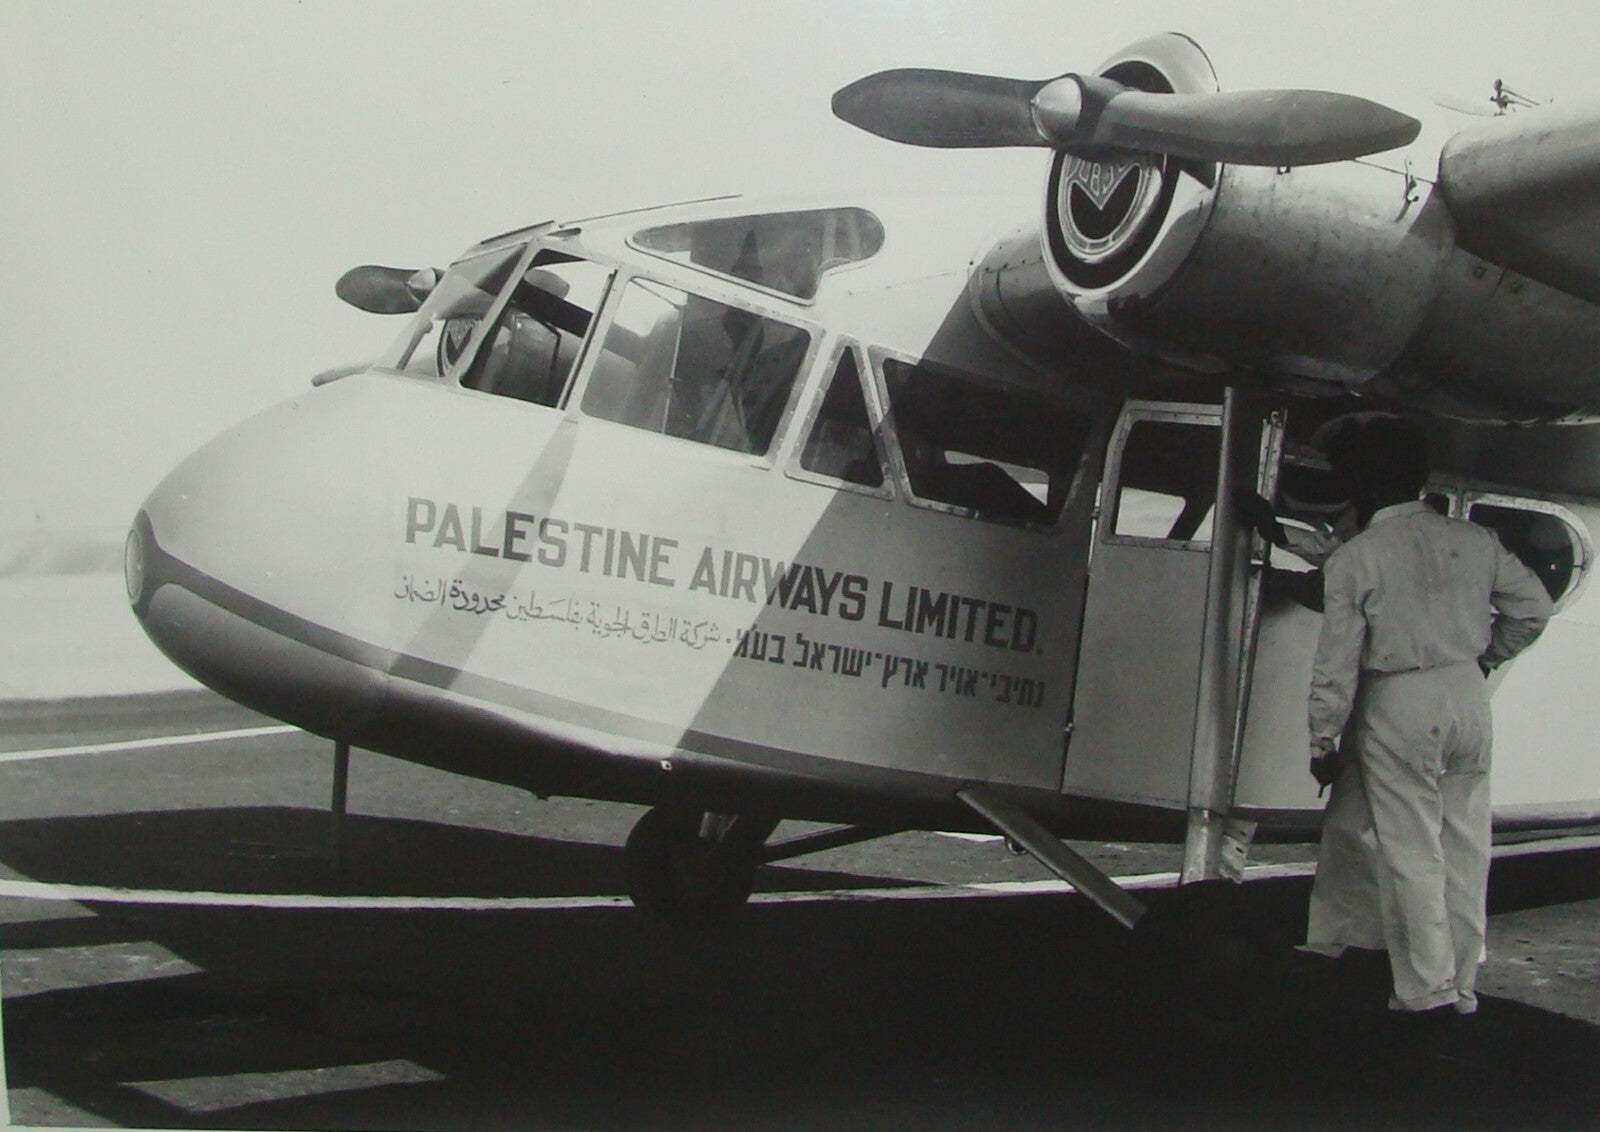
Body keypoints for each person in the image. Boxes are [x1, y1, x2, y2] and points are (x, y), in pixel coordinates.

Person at [1305, 415, 1553, 1023]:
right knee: (1465, 844)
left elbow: (1337, 663)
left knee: (1410, 847)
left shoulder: (1358, 558)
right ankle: (1456, 982)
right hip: (1468, 692)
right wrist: (1486, 659)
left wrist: (1322, 738)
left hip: (1399, 698)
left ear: (1361, 482)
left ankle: (1427, 993)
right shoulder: (1474, 540)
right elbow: (1534, 609)